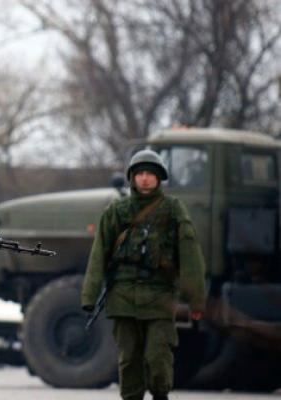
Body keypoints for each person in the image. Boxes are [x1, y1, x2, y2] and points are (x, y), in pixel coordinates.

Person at [81, 149, 206, 400]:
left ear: (159, 178)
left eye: (150, 174)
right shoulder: (117, 211)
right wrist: (89, 296)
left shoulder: (173, 210)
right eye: (140, 174)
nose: (145, 179)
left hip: (160, 298)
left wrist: (195, 299)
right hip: (123, 297)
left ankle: (160, 395)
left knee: (158, 358)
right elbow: (99, 254)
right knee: (129, 360)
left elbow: (190, 254)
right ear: (132, 178)